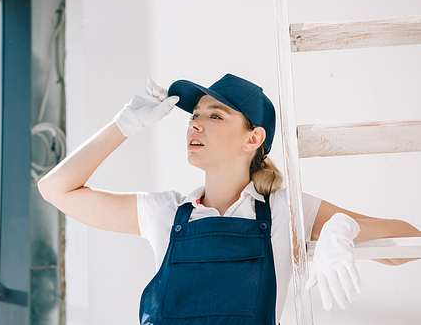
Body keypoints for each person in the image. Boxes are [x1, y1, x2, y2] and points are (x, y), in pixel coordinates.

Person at [38, 74, 421, 324]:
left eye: (215, 116)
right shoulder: (166, 213)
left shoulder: (285, 210)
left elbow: (411, 242)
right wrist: (122, 126)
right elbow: (56, 190)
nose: (195, 123)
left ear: (252, 138)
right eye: (195, 115)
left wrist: (343, 229)